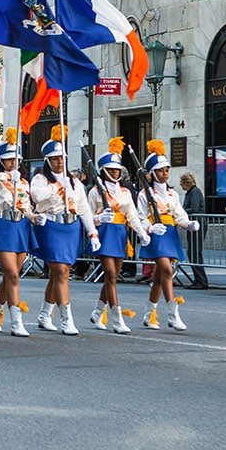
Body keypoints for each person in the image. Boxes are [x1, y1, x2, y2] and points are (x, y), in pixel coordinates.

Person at [29, 125, 98, 336]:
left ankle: (44, 314)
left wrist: (92, 232)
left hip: (71, 227)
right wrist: (57, 187)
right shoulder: (41, 178)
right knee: (59, 271)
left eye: (62, 158)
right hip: (51, 226)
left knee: (61, 272)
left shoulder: (74, 181)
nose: (60, 162)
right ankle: (66, 317)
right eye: (55, 158)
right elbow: (36, 196)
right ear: (48, 160)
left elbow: (84, 207)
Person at [87, 138, 151, 334]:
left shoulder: (124, 191)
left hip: (120, 233)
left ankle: (98, 312)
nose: (116, 172)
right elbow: (88, 217)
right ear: (104, 170)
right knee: (112, 275)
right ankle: (117, 319)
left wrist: (141, 233)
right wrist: (100, 218)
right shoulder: (95, 192)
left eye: (117, 170)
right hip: (104, 233)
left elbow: (131, 215)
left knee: (112, 277)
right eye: (112, 169)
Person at [136, 141, 199, 331]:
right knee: (167, 270)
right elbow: (139, 217)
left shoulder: (172, 194)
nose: (165, 174)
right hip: (156, 234)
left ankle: (149, 314)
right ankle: (173, 313)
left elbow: (178, 214)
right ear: (152, 173)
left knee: (159, 276)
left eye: (167, 170)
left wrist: (188, 223)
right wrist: (150, 228)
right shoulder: (144, 194)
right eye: (161, 170)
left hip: (170, 234)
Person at [0, 129, 36, 338]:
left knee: (11, 277)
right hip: (4, 225)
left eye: (15, 160)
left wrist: (33, 217)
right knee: (11, 274)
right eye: (9, 160)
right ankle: (16, 320)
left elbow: (25, 206)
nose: (13, 163)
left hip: (20, 226)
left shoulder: (22, 182)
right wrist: (6, 176)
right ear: (2, 161)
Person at [179, 172, 208, 288]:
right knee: (193, 252)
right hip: (193, 224)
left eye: (182, 184)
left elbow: (194, 208)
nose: (181, 186)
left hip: (198, 225)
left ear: (187, 183)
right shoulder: (191, 192)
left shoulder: (195, 192)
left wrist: (182, 212)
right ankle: (198, 279)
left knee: (195, 253)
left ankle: (201, 281)